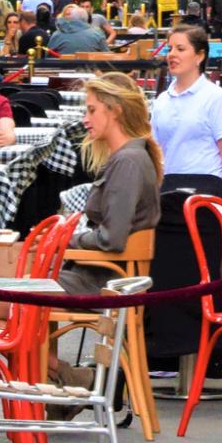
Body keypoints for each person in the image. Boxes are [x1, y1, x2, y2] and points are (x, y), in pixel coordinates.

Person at [63, 74, 161, 296]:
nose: (85, 119)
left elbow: (111, 239)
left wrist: (66, 239)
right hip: (101, 276)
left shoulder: (127, 161)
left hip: (103, 282)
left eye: (92, 110)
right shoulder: (131, 157)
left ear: (116, 110)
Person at [151, 25, 222, 199]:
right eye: (170, 49)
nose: (172, 54)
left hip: (206, 191)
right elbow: (155, 151)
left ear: (199, 56)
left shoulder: (216, 97)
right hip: (169, 191)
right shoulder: (161, 100)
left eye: (180, 49)